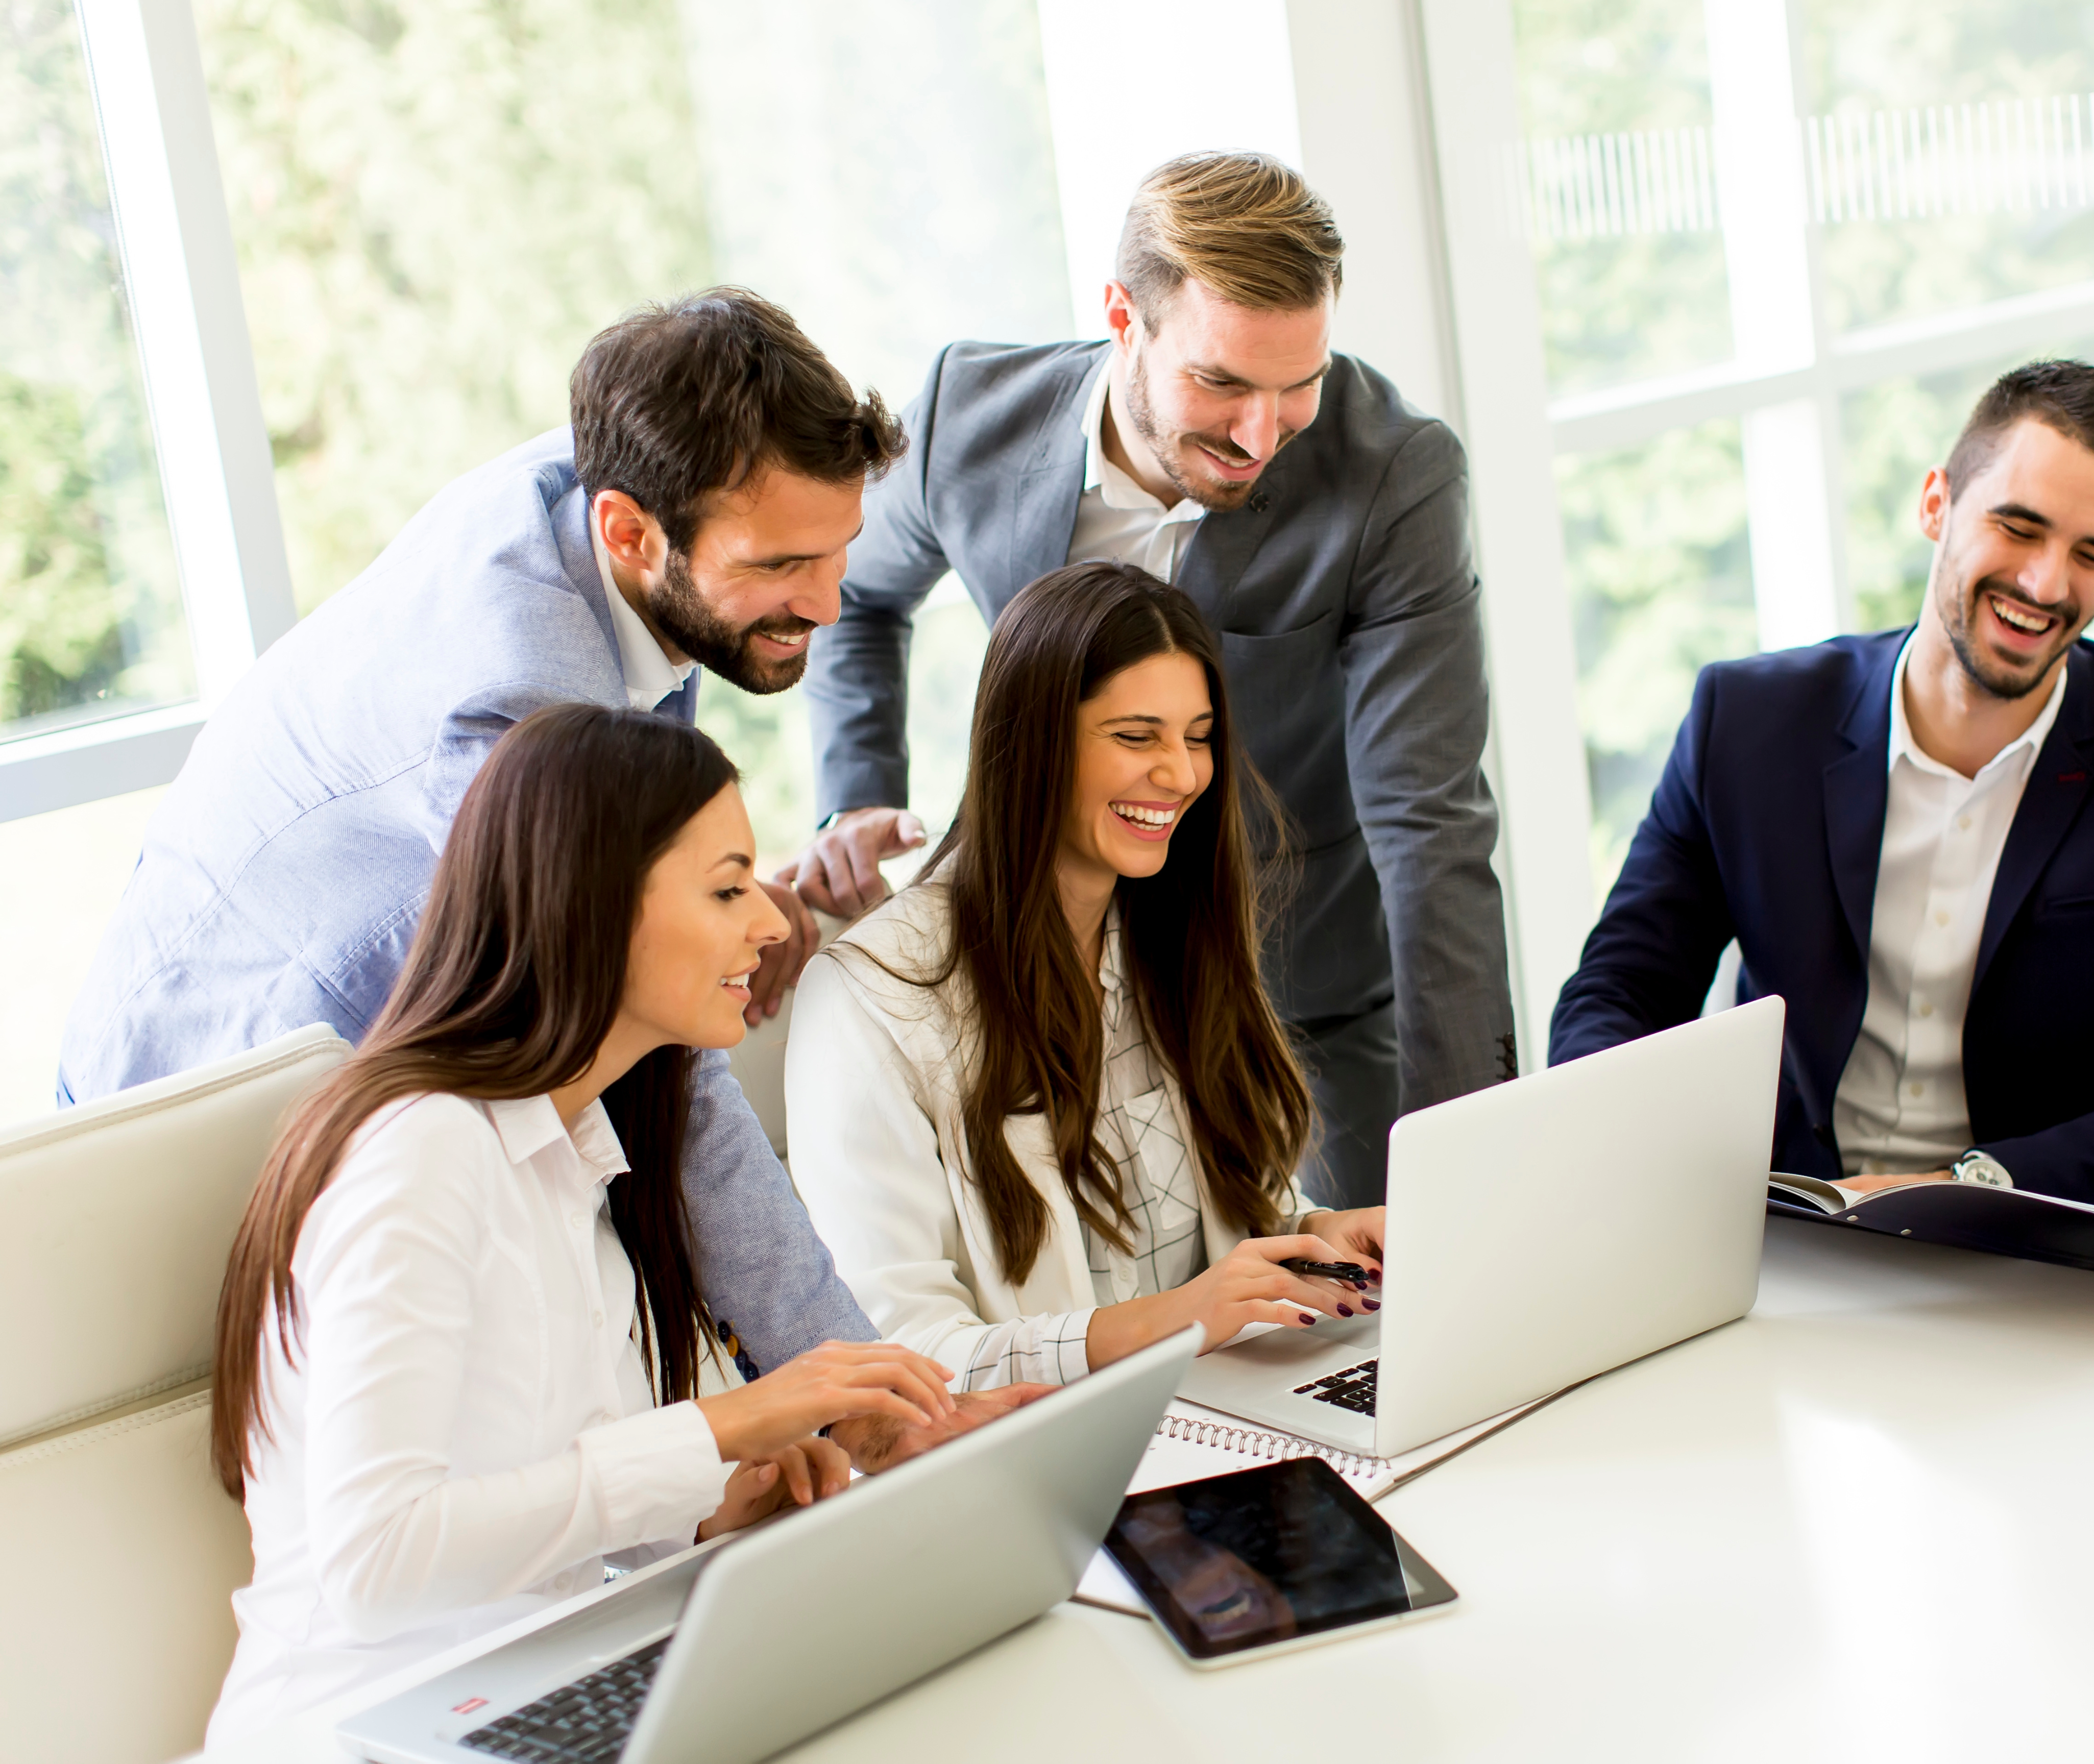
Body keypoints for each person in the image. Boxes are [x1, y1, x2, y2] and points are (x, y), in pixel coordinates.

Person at [59, 289, 915, 1434]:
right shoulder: (509, 695)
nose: (826, 599)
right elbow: (664, 1052)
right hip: (216, 1086)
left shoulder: (634, 484)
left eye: (841, 551)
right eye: (783, 564)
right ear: (629, 533)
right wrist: (857, 1385)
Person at [202, 705, 997, 1743]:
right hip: (368, 1728)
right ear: (590, 905)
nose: (768, 922)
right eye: (725, 888)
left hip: (547, 1689)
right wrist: (720, 1429)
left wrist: (711, 1515)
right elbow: (376, 1565)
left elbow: (538, 1516)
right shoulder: (421, 1153)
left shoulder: (587, 1157)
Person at [791, 152, 1514, 1208]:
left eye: (1298, 386)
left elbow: (1429, 820)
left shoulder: (1394, 476)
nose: (1259, 434)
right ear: (1122, 318)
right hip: (1036, 982)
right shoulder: (967, 415)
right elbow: (849, 592)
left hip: (1295, 991)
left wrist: (1467, 1144)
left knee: (1391, 1304)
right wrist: (857, 789)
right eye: (1220, 384)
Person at [1550, 361, 2094, 1211]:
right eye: (2018, 527)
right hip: (1783, 1224)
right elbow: (1621, 992)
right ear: (1936, 503)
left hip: (2048, 1247)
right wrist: (1631, 1161)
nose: (2046, 585)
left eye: (2091, 555)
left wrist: (1957, 1190)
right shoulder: (1746, 723)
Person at [784, 561, 1386, 1388]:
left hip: (1229, 1416)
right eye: (1137, 738)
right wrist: (1171, 1320)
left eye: (1199, 736)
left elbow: (1178, 1255)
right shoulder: (869, 995)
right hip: (1046, 1471)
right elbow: (902, 1358)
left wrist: (1309, 1240)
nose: (1180, 775)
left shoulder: (1168, 934)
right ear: (1031, 741)